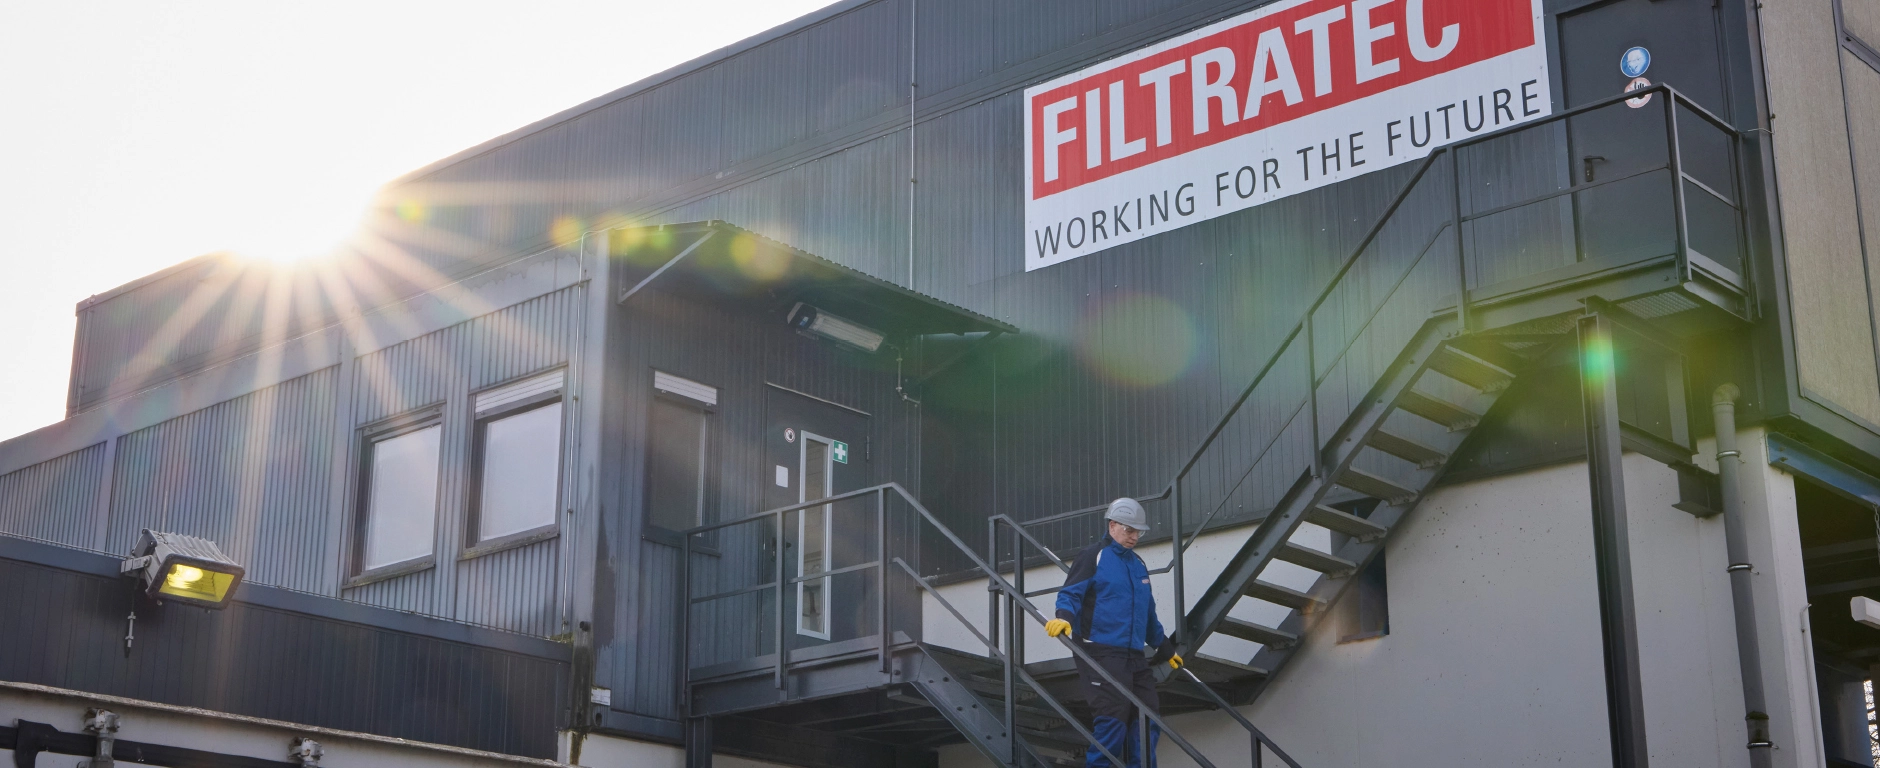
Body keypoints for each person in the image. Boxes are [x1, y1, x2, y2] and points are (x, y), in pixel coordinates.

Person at [1045, 498, 1183, 768]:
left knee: (1147, 719)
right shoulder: (1093, 556)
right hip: (1100, 650)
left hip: (1133, 655)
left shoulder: (1138, 564)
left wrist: (1166, 649)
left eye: (1138, 532)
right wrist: (1063, 618)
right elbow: (1071, 593)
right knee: (1112, 721)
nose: (1134, 537)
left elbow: (1147, 615)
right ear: (1112, 525)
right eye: (1129, 530)